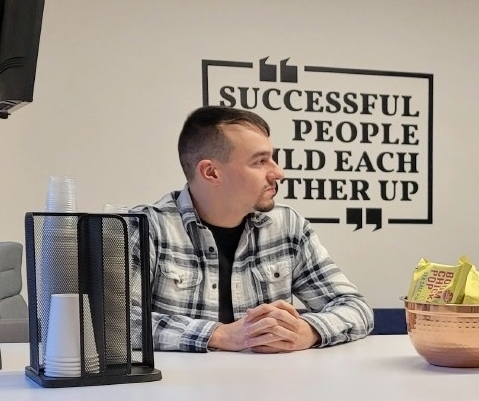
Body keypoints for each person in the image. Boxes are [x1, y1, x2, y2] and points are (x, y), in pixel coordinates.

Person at [133, 105, 372, 353]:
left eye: (273, 158)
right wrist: (219, 334)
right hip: (177, 390)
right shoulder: (144, 228)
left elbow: (356, 308)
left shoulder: (287, 226)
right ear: (211, 172)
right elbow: (114, 327)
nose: (278, 172)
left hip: (268, 388)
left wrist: (308, 331)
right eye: (260, 161)